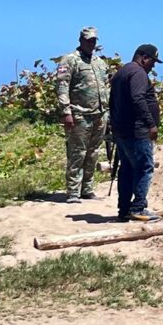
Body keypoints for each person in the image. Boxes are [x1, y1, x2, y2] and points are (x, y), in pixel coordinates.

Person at [109, 44, 163, 222]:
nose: (153, 66)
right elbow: (138, 98)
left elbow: (112, 102)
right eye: (152, 61)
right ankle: (138, 207)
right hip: (137, 131)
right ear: (143, 57)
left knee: (126, 170)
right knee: (144, 168)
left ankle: (124, 209)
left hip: (122, 131)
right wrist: (151, 124)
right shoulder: (138, 73)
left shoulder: (121, 72)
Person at [56, 26, 110, 203]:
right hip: (79, 114)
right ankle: (73, 191)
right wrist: (66, 112)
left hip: (99, 114)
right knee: (77, 153)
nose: (91, 43)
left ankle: (87, 188)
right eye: (88, 40)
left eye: (94, 40)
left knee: (93, 153)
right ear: (81, 40)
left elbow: (106, 86)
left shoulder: (99, 63)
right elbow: (62, 87)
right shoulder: (69, 60)